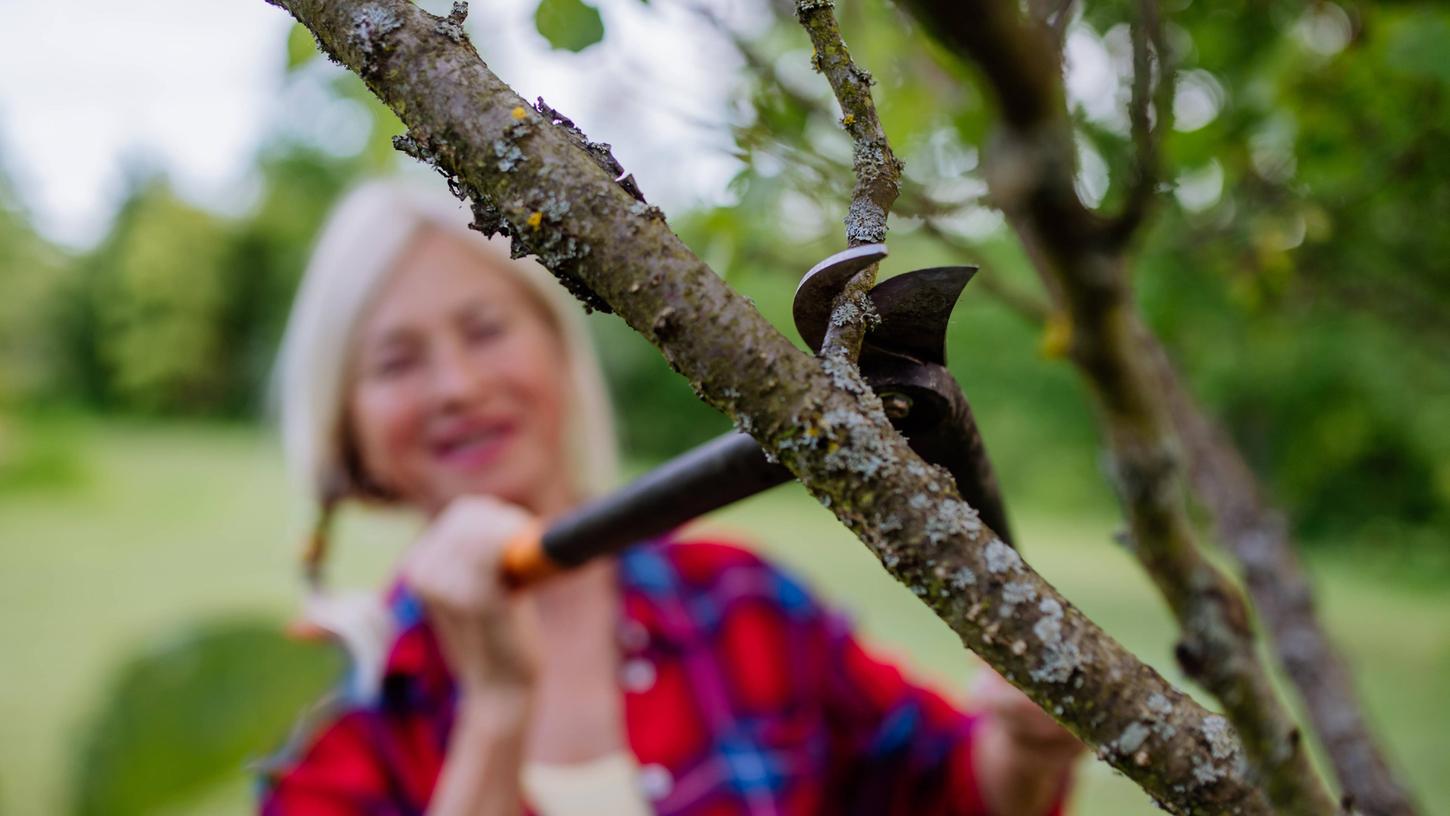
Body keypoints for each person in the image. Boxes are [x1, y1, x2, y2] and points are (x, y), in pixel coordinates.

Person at [260, 180, 1084, 816]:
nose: (458, 386)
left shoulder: (742, 603)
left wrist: (1029, 745)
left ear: (558, 352)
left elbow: (950, 789)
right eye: (398, 361)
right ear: (347, 425)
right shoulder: (327, 715)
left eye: (485, 330)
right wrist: (496, 709)